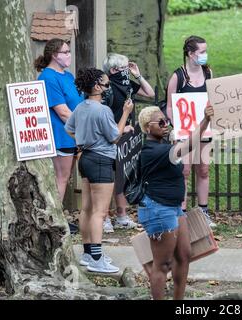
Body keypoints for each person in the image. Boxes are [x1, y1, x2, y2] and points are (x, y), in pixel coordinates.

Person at [137, 104, 214, 299]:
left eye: (167, 121)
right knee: (162, 264)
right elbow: (189, 145)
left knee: (184, 255)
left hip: (173, 208)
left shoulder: (163, 146)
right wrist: (205, 121)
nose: (165, 125)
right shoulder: (151, 151)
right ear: (147, 128)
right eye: (160, 122)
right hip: (158, 209)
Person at [65, 68, 134, 273]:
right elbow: (114, 136)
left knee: (86, 208)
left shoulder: (81, 107)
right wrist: (126, 114)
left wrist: (83, 142)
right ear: (96, 86)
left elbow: (69, 129)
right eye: (106, 84)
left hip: (85, 158)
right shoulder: (102, 110)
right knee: (100, 212)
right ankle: (96, 257)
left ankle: (88, 253)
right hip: (102, 160)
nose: (108, 87)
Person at [101, 53, 156, 233]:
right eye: (124, 68)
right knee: (108, 179)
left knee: (122, 176)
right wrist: (119, 128)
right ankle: (104, 218)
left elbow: (150, 93)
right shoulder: (106, 88)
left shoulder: (127, 85)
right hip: (110, 137)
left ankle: (122, 216)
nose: (127, 72)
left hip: (126, 139)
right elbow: (102, 116)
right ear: (114, 70)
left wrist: (137, 75)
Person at [166, 35, 216, 227]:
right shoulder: (178, 77)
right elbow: (170, 107)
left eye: (205, 51)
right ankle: (182, 213)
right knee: (184, 171)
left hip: (205, 129)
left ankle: (203, 212)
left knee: (203, 169)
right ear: (190, 53)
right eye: (201, 52)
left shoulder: (208, 73)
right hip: (185, 132)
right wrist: (176, 127)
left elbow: (213, 99)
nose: (205, 55)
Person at [35, 38, 83, 234]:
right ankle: (54, 221)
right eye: (65, 52)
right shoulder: (48, 77)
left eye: (69, 51)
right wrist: (86, 128)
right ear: (54, 55)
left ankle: (59, 216)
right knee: (60, 178)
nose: (69, 55)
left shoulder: (68, 75)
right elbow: (63, 112)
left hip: (73, 134)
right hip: (60, 135)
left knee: (66, 177)